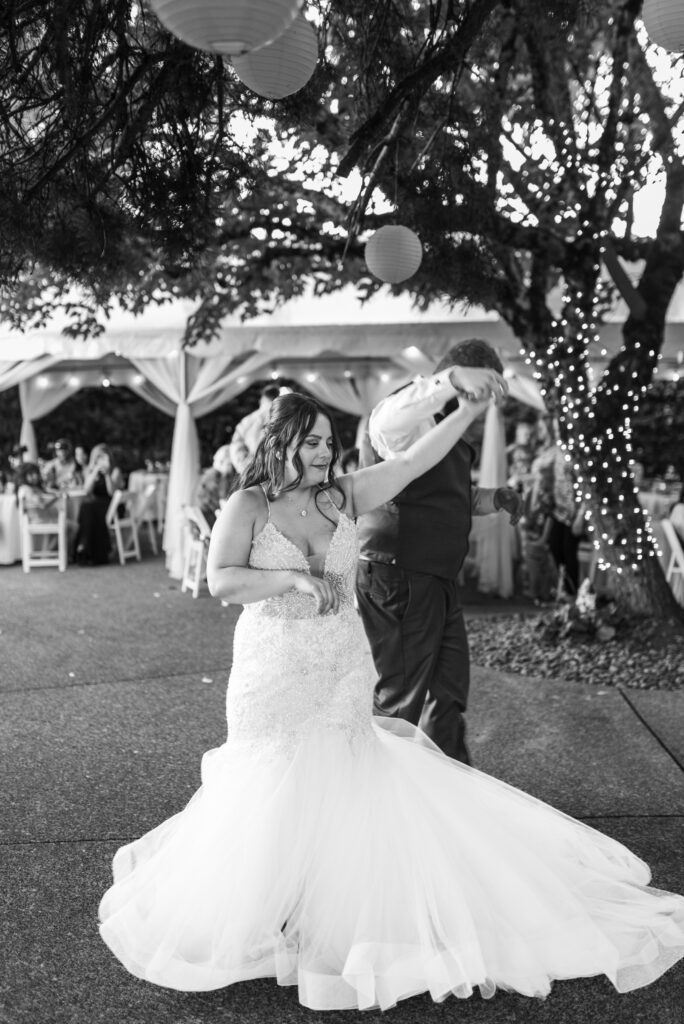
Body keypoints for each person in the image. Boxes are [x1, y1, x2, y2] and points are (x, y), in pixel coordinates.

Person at [98, 390, 684, 1010]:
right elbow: (221, 579)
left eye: (329, 441)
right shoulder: (250, 503)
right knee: (268, 775)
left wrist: (466, 410)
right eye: (313, 441)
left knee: (345, 774)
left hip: (342, 663)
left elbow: (409, 465)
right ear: (282, 442)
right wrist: (293, 577)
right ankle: (268, 908)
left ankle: (328, 910)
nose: (325, 453)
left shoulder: (342, 496)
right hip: (273, 665)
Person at [355, 340, 522, 765]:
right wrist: (449, 381)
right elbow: (387, 419)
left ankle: (447, 785)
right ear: (464, 379)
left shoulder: (448, 429)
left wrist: (492, 498)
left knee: (449, 688)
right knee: (402, 694)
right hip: (399, 572)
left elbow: (446, 495)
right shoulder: (404, 416)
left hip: (436, 575)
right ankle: (380, 791)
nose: (487, 404)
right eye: (485, 388)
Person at [72, 443, 123, 565]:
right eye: (98, 457)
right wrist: (95, 471)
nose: (100, 460)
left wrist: (107, 476)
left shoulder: (115, 471)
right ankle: (87, 549)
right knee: (87, 507)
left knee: (88, 508)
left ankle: (85, 548)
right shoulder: (91, 471)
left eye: (103, 457)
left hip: (111, 506)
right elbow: (87, 490)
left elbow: (111, 493)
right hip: (94, 505)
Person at [229, 384, 280, 473]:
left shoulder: (249, 420)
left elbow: (236, 442)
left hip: (250, 469)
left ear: (262, 399)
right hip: (277, 470)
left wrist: (244, 465)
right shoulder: (285, 418)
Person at [194, 444, 236, 530]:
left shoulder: (209, 474)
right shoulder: (220, 477)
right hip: (210, 520)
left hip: (202, 519)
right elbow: (223, 501)